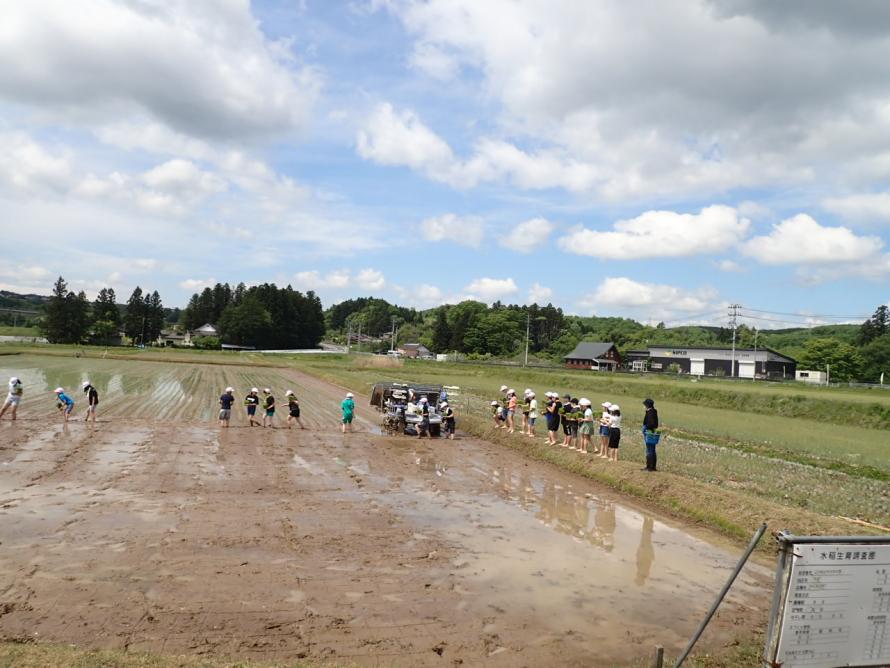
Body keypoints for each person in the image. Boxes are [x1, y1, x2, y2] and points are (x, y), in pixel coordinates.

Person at [642, 398, 660, 471]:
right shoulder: (654, 411)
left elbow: (650, 423)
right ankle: (652, 466)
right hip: (652, 432)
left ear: (647, 405)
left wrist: (646, 428)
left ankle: (649, 466)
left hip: (649, 432)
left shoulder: (650, 412)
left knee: (649, 450)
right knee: (652, 449)